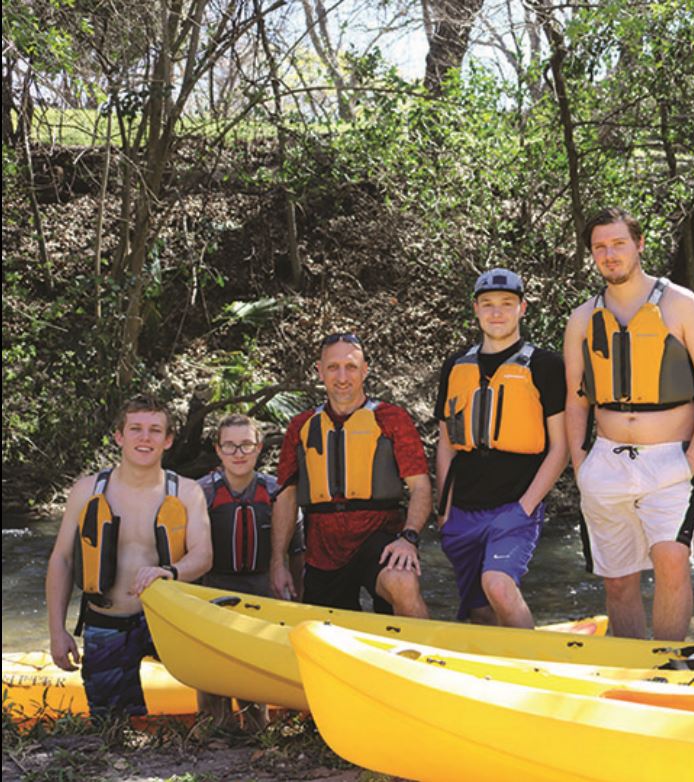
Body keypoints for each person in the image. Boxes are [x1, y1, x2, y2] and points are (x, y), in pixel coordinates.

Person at [564, 208, 694, 641]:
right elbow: (576, 398)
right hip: (605, 461)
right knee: (618, 582)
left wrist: (691, 461)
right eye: (599, 247)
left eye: (618, 243)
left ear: (639, 244)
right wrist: (581, 465)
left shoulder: (680, 304)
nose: (609, 254)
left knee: (671, 562)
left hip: (669, 461)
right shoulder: (582, 317)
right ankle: (629, 668)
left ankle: (666, 667)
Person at [45, 395, 212, 717]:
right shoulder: (87, 490)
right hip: (106, 619)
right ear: (119, 436)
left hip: (169, 618)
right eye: (135, 429)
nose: (144, 438)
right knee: (111, 722)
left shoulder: (187, 492)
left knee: (212, 694)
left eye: (154, 430)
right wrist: (56, 631)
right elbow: (62, 560)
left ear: (168, 440)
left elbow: (203, 556)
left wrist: (170, 572)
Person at [435, 269, 568, 627]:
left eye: (507, 304)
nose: (497, 313)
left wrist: (525, 508)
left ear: (522, 308)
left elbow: (561, 447)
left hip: (515, 505)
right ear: (475, 310)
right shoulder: (455, 365)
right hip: (462, 508)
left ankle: (534, 669)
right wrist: (444, 508)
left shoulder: (546, 366)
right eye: (488, 305)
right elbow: (446, 441)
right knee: (479, 607)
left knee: (499, 585)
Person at [269, 333, 431, 617]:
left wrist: (409, 538)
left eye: (351, 367)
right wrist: (278, 562)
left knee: (402, 582)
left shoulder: (392, 419)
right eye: (333, 367)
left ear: (364, 370)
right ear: (320, 371)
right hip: (323, 548)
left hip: (380, 536)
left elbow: (420, 486)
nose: (342, 377)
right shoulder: (301, 426)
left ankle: (430, 657)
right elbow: (287, 496)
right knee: (320, 623)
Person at [196, 413, 307, 729]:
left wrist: (300, 597)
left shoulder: (277, 492)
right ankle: (213, 727)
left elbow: (298, 551)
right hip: (213, 587)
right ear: (218, 450)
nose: (238, 453)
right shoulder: (200, 493)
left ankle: (258, 727)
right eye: (229, 446)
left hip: (262, 589)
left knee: (253, 666)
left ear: (259, 447)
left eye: (246, 444)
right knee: (211, 667)